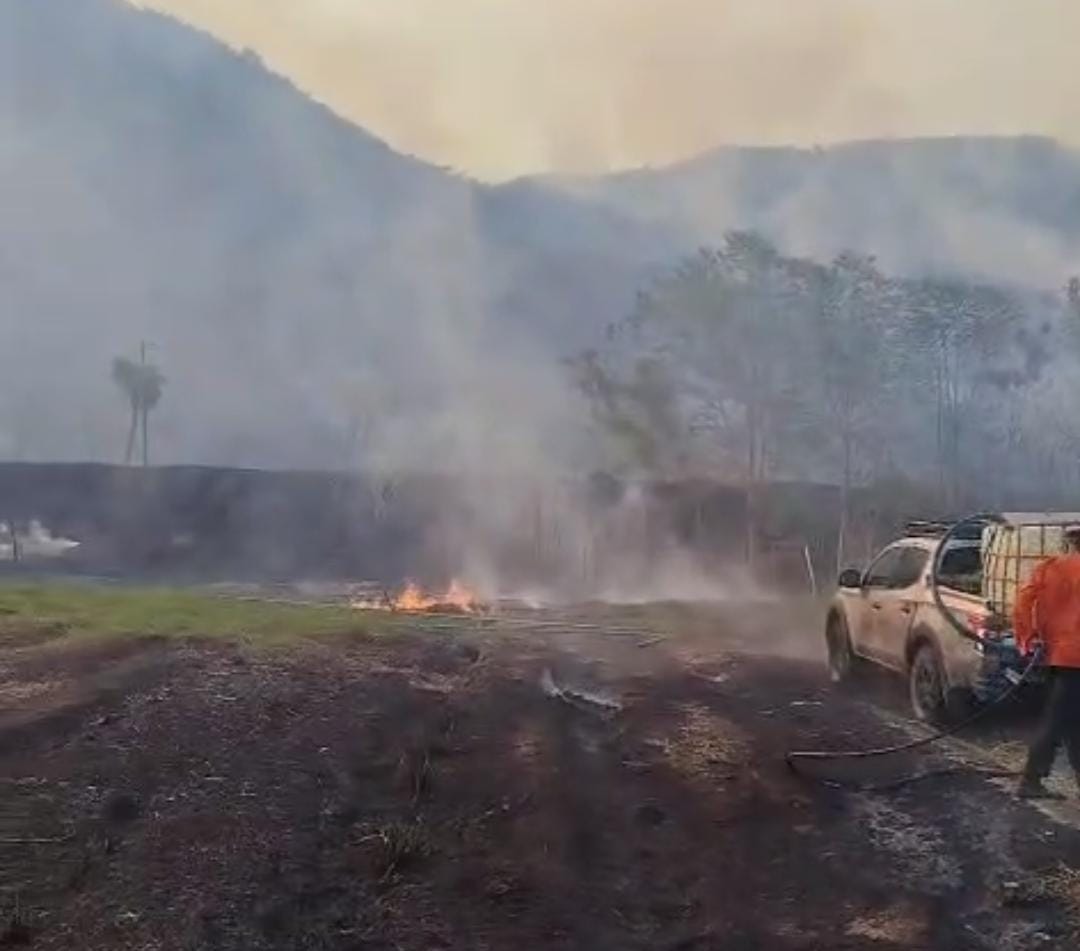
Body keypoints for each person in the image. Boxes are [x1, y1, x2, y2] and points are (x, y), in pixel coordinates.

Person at [1013, 526, 1080, 799]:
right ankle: (1030, 780)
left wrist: (1026, 638)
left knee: (1071, 720)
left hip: (1054, 655)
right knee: (1056, 721)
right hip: (1076, 658)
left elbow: (1022, 602)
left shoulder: (1048, 568)